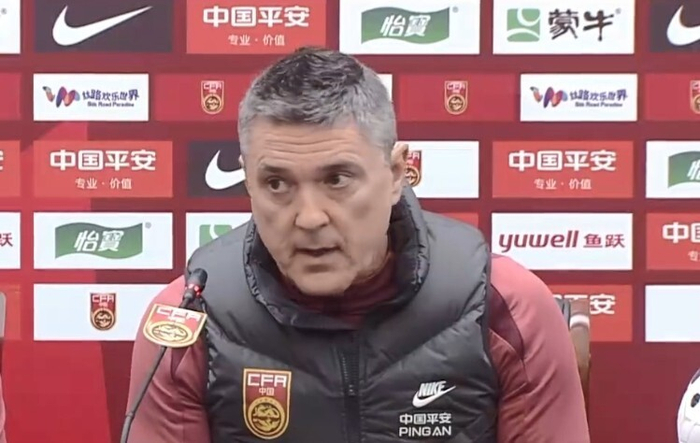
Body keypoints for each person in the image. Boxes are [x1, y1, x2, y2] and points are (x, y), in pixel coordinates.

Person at [126, 47, 590, 442]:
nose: (309, 217)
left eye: (337, 179)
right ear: (247, 181)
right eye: (277, 184)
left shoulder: (505, 305)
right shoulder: (187, 318)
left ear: (396, 173)